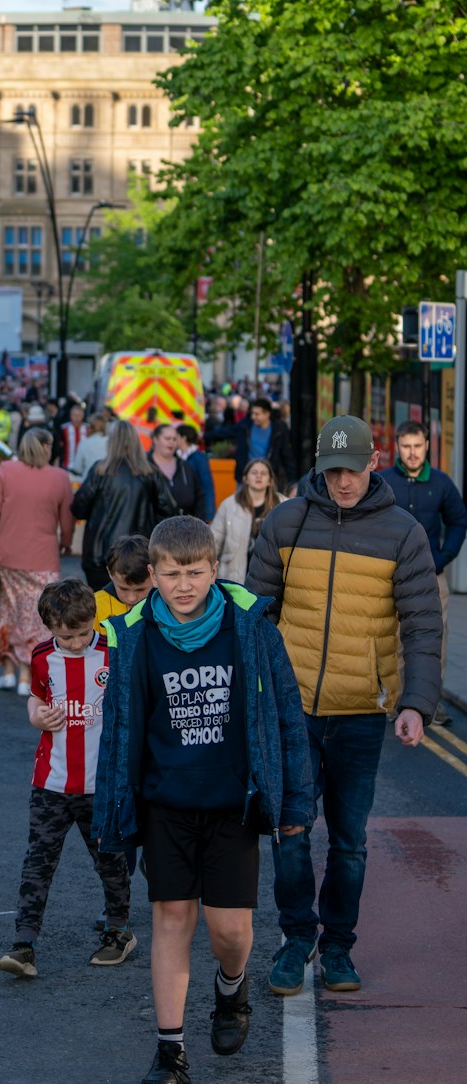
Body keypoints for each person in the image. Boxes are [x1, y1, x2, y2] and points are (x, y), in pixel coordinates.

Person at [94, 517, 313, 1084]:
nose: (183, 585)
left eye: (194, 572)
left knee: (231, 933)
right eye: (170, 574)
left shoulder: (251, 627)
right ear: (154, 575)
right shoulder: (136, 634)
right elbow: (119, 728)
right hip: (166, 802)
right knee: (170, 917)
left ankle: (231, 988)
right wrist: (112, 816)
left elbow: (286, 714)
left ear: (215, 571)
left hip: (231, 803)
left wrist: (294, 807)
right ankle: (170, 1053)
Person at [247, 415, 442, 996]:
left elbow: (423, 625)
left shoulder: (403, 533)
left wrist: (416, 704)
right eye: (332, 471)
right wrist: (255, 696)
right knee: (290, 830)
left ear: (373, 462)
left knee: (350, 840)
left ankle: (337, 947)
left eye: (351, 469)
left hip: (361, 710)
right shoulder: (284, 521)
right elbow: (255, 616)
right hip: (295, 708)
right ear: (318, 467)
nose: (342, 481)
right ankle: (295, 938)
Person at [0, 579, 135, 980]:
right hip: (51, 783)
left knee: (110, 862)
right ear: (49, 628)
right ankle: (24, 943)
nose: (74, 643)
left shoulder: (114, 652)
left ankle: (118, 931)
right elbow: (36, 698)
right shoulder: (41, 658)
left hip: (101, 785)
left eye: (81, 634)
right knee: (38, 864)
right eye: (65, 636)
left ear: (94, 619)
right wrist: (36, 714)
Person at [379, 418, 467, 726]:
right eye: (406, 446)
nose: (412, 452)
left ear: (427, 446)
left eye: (418, 446)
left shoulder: (442, 483)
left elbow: (458, 521)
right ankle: (397, 700)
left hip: (431, 576)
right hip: (390, 575)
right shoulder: (384, 480)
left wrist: (444, 557)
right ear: (397, 446)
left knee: (434, 639)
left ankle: (431, 702)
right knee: (394, 640)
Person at [0, 429, 75, 695]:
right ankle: (28, 676)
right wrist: (66, 542)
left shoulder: (6, 470)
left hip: (9, 552)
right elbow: (67, 523)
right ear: (46, 447)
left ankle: (9, 672)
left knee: (11, 610)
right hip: (43, 556)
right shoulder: (59, 477)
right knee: (39, 616)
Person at [72, 420, 165, 588]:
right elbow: (168, 510)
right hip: (140, 553)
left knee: (103, 607)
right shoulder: (150, 472)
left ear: (111, 442)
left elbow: (78, 508)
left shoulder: (100, 471)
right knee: (138, 608)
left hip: (99, 555)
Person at [210, 460, 285, 585]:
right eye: (254, 472)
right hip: (234, 579)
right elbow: (213, 544)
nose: (258, 476)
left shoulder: (284, 505)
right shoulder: (229, 505)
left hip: (272, 581)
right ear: (245, 479)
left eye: (263, 473)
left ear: (270, 480)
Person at [233, 397, 294, 494]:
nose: (253, 417)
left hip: (268, 478)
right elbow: (226, 432)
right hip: (246, 476)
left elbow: (286, 454)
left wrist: (292, 479)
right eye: (252, 413)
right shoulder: (245, 425)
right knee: (242, 506)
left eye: (257, 414)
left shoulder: (278, 429)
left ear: (267, 414)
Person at [93, 534, 152, 633]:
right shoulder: (94, 606)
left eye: (140, 589)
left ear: (154, 574)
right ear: (110, 573)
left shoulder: (165, 603)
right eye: (123, 589)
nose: (131, 598)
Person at [149, 424, 207, 521]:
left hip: (185, 529)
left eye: (174, 439)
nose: (171, 442)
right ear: (155, 439)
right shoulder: (145, 467)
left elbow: (199, 498)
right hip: (153, 531)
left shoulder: (185, 467)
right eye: (167, 439)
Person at [176, 424, 216, 523]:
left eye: (176, 437)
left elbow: (207, 485)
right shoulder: (176, 456)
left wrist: (209, 513)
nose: (173, 440)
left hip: (196, 509)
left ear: (183, 438)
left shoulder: (199, 457)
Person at [73, 412, 108, 482]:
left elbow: (77, 468)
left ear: (90, 427)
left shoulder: (84, 443)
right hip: (106, 483)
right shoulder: (111, 442)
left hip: (88, 483)